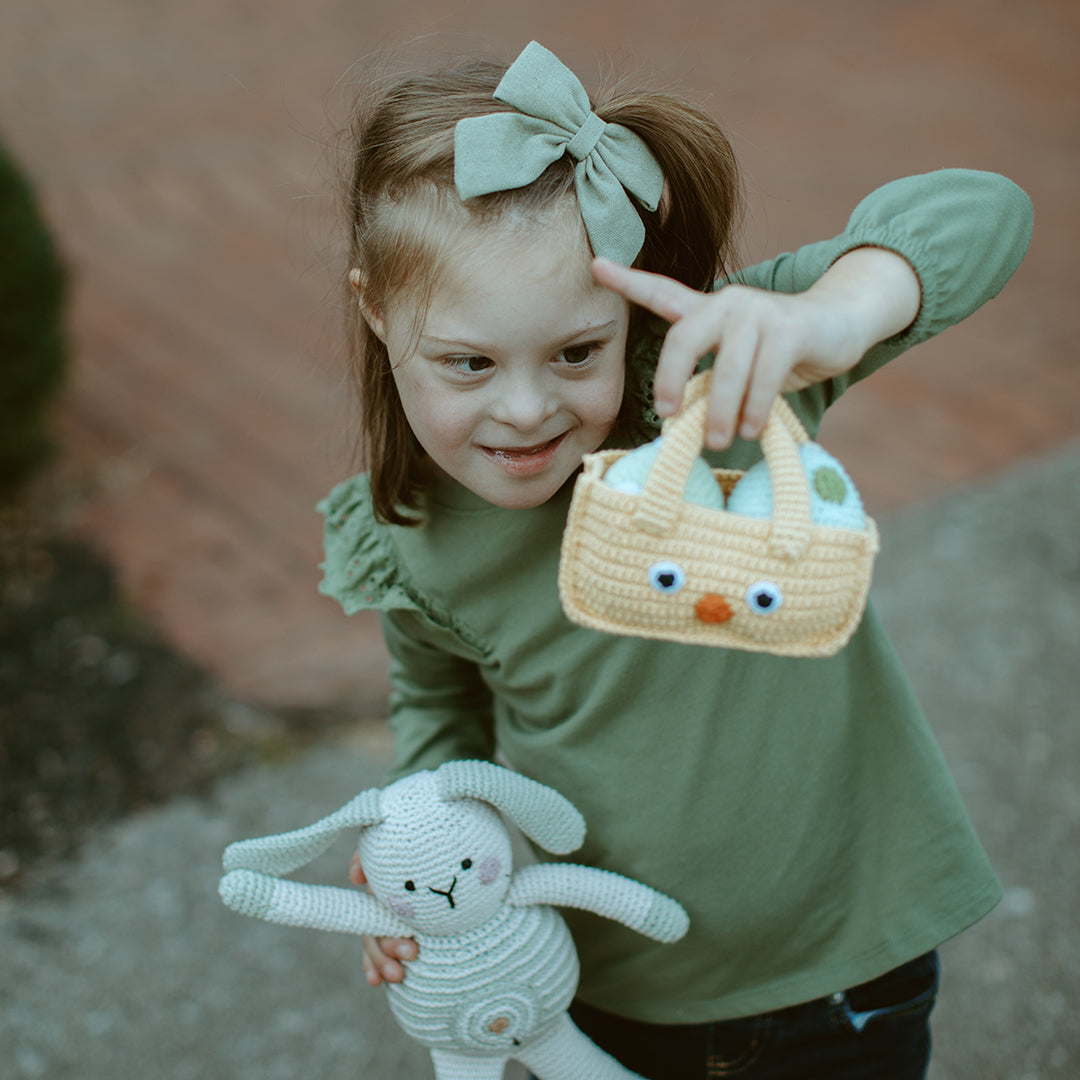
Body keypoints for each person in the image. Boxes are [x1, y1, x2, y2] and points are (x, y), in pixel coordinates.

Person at [320, 40, 1033, 1080]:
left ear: (628, 316)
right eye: (468, 363)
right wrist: (423, 857)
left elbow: (986, 212)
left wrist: (828, 318)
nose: (525, 409)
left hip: (843, 971)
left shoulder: (719, 385)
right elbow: (440, 712)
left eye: (576, 351)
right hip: (609, 994)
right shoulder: (406, 532)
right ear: (378, 312)